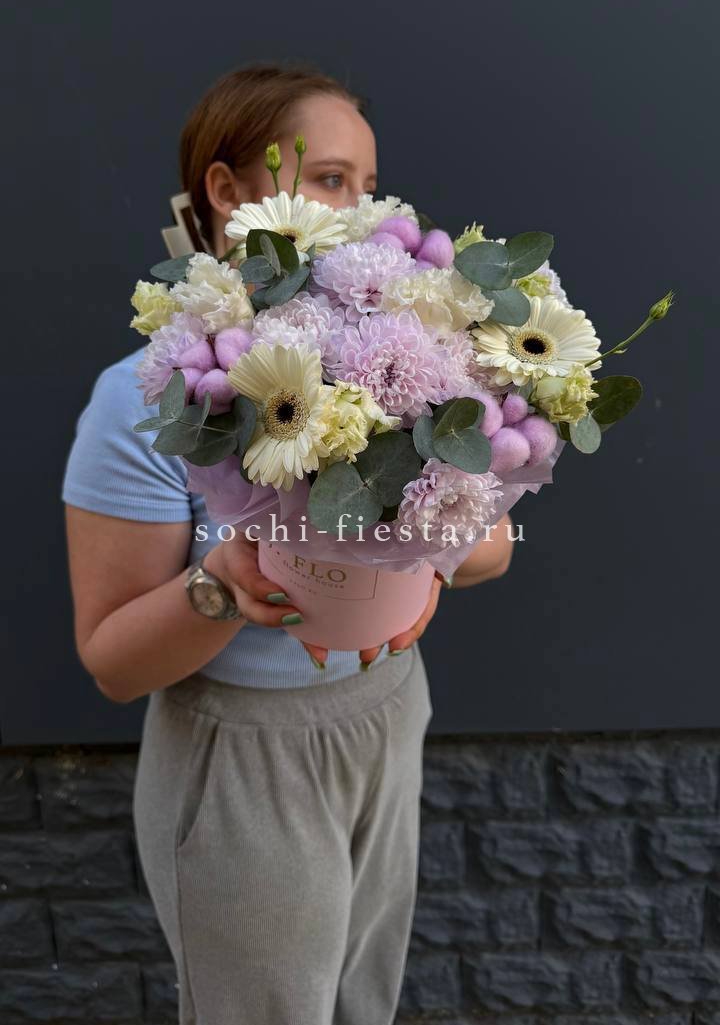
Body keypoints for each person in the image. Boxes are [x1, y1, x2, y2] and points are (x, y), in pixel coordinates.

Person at [61, 62, 515, 1025]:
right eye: (329, 179)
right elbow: (112, 662)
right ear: (228, 192)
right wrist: (223, 583)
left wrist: (421, 553)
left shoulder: (407, 363)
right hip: (241, 754)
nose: (360, 211)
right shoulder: (144, 402)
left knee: (362, 1007)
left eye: (368, 185)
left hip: (386, 711)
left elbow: (492, 548)